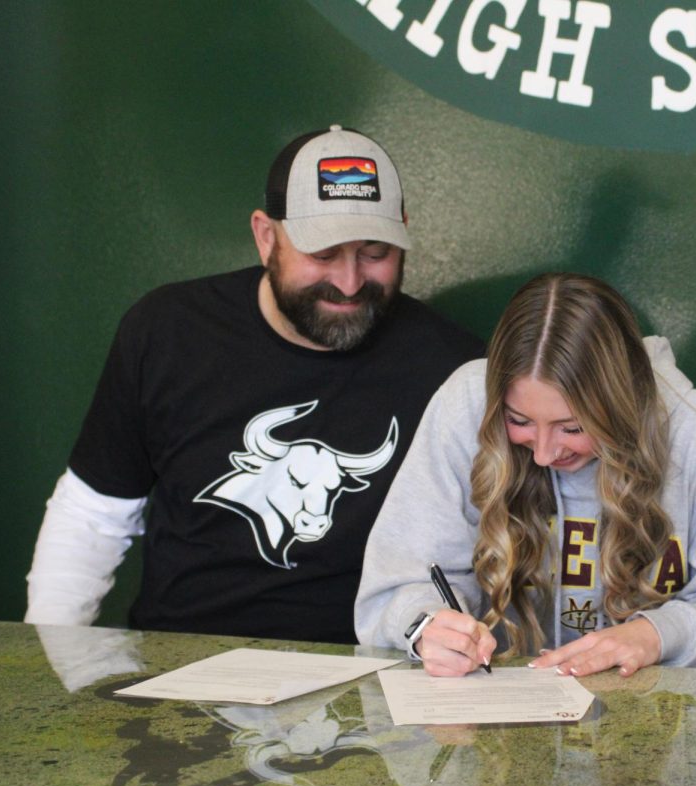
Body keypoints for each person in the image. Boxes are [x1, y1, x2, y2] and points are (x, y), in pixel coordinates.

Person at [24, 125, 483, 644]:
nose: (350, 281)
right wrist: (45, 660)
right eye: (324, 253)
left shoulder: (456, 370)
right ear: (267, 236)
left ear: (403, 230)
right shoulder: (168, 330)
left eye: (374, 252)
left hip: (366, 680)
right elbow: (92, 516)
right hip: (180, 670)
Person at [355, 272, 696, 677]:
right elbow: (398, 586)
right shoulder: (465, 404)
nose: (544, 453)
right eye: (519, 421)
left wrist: (655, 636)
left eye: (572, 428)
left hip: (659, 717)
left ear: (623, 401)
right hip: (499, 708)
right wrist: (426, 625)